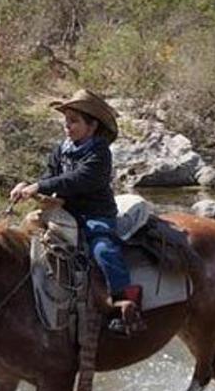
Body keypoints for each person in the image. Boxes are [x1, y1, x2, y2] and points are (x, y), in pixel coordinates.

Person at [10, 89, 141, 335]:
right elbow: (51, 176)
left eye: (74, 121)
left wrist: (39, 186)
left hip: (94, 214)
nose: (67, 126)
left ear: (92, 126)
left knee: (103, 249)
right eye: (66, 121)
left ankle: (125, 302)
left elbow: (79, 179)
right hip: (65, 213)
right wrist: (28, 186)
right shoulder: (62, 149)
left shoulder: (99, 152)